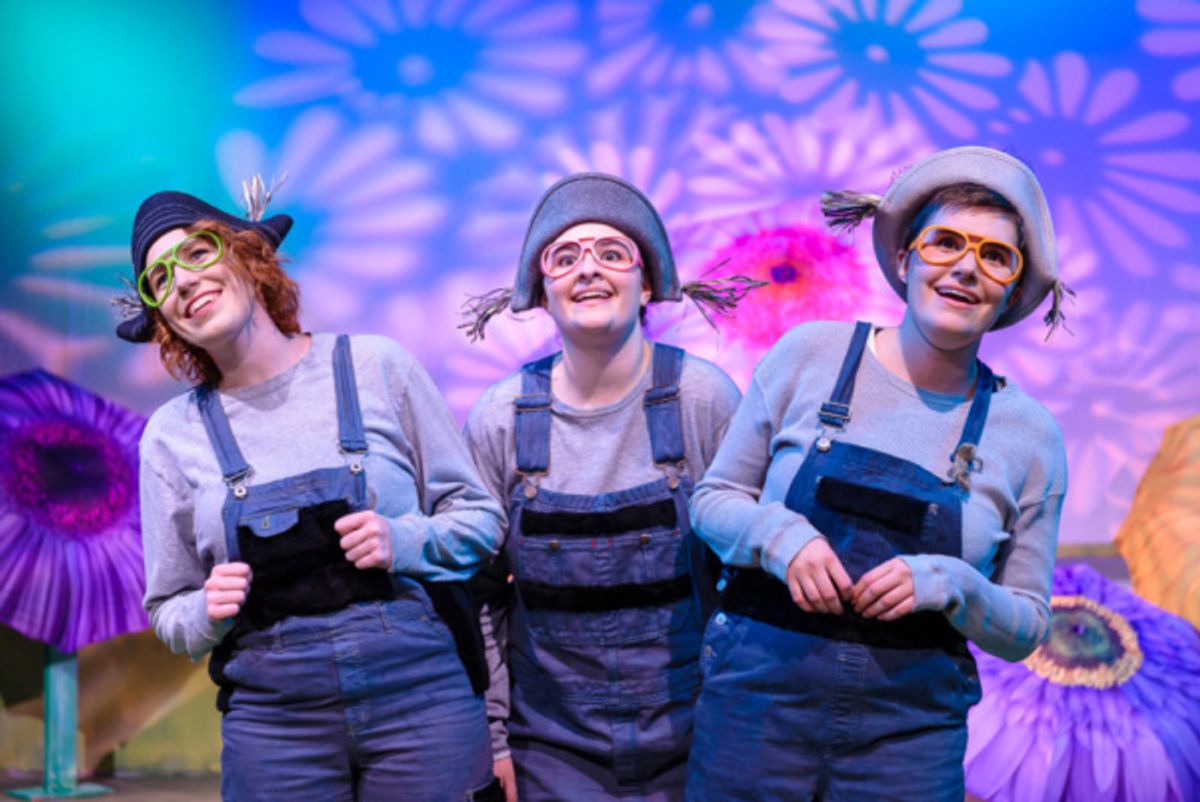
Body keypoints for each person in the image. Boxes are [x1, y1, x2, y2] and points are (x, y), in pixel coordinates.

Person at [684, 146, 1070, 801]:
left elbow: (1027, 626)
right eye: (945, 243)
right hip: (754, 717)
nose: (965, 268)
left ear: (1010, 290)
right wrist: (780, 537)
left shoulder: (1030, 436)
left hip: (908, 744)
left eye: (995, 257)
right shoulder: (809, 355)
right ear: (905, 258)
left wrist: (954, 584)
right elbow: (714, 500)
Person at [117, 184, 505, 802]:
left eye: (196, 252)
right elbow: (168, 607)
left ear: (249, 255)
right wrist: (205, 611)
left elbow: (481, 520)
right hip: (275, 724)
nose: (182, 281)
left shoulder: (377, 367)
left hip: (422, 701)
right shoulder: (171, 436)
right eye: (160, 279)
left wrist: (404, 540)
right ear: (163, 316)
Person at [461, 173, 754, 801]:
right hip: (550, 750)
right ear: (543, 292)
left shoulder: (702, 399)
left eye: (612, 253)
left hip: (697, 738)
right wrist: (494, 737)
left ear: (646, 283)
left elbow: (749, 580)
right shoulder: (500, 418)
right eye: (564, 257)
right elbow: (477, 597)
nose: (588, 269)